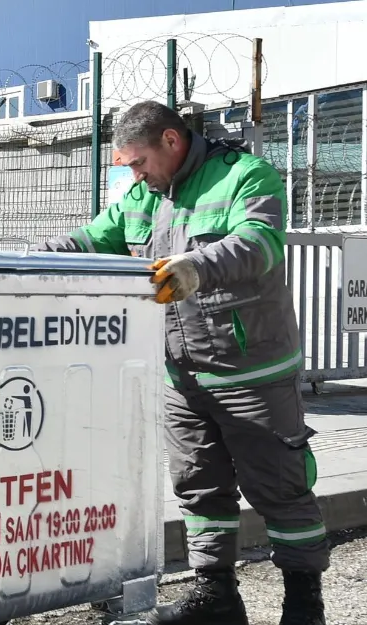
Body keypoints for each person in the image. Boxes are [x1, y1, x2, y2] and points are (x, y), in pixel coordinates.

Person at [31, 100, 327, 625]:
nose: (135, 175)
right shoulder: (142, 196)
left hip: (250, 373)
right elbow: (90, 241)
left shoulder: (245, 175)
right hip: (181, 378)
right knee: (198, 486)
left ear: (171, 140)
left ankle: (304, 604)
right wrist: (24, 261)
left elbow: (259, 242)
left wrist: (197, 266)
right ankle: (217, 597)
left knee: (279, 487)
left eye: (138, 162)